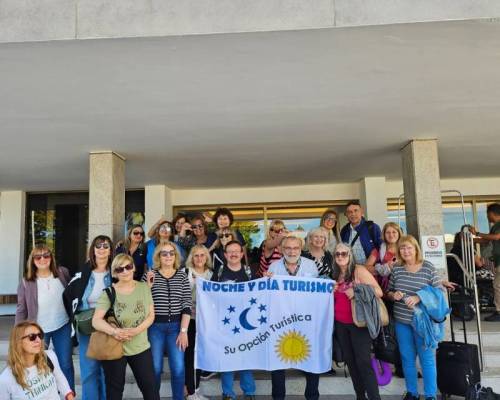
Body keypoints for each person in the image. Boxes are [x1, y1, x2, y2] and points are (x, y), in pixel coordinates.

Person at [93, 254, 159, 400]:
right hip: (115, 348)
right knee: (114, 392)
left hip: (140, 347)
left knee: (151, 390)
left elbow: (151, 316)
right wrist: (115, 331)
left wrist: (136, 330)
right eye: (119, 268)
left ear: (133, 267)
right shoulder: (109, 292)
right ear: (115, 272)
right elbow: (96, 320)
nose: (125, 271)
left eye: (128, 267)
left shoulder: (144, 288)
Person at [386, 235, 443, 400]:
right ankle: (412, 393)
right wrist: (393, 295)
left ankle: (431, 395)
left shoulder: (428, 267)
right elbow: (388, 292)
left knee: (427, 359)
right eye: (402, 248)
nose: (405, 251)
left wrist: (419, 297)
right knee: (407, 359)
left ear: (416, 248)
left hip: (424, 323)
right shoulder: (396, 268)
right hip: (402, 322)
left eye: (409, 247)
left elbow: (439, 291)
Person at [267, 235, 320, 400]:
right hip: (280, 320)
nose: (292, 251)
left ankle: (312, 395)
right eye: (288, 248)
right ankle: (278, 397)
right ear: (282, 250)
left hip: (306, 320)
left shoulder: (311, 266)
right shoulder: (273, 267)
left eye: (296, 248)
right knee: (277, 360)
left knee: (310, 357)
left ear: (300, 249)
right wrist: (265, 281)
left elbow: (319, 292)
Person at [15, 244, 74, 391]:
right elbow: (21, 309)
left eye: (46, 255)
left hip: (63, 325)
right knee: (38, 365)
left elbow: (73, 294)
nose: (43, 259)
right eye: (38, 257)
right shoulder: (26, 282)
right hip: (38, 330)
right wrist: (18, 332)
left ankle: (69, 394)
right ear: (32, 260)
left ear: (51, 258)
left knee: (66, 364)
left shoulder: (62, 273)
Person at [62, 235, 113, 400]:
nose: (102, 249)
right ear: (93, 249)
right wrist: (75, 316)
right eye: (98, 245)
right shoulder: (83, 273)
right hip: (86, 328)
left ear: (110, 250)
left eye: (106, 246)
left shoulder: (117, 272)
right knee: (89, 371)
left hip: (108, 328)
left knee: (107, 371)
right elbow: (68, 294)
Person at [332, 243, 383, 400]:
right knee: (351, 363)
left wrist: (356, 290)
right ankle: (360, 396)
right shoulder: (335, 274)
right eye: (337, 254)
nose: (340, 256)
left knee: (363, 363)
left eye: (344, 253)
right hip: (341, 325)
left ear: (350, 255)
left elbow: (379, 292)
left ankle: (375, 397)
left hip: (359, 324)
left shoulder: (358, 270)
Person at [145, 242, 192, 400]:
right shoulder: (150, 274)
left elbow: (187, 305)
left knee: (178, 368)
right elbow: (142, 303)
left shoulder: (182, 275)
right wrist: (148, 287)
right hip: (155, 327)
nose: (168, 256)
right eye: (164, 253)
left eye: (171, 253)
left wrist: (183, 331)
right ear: (158, 256)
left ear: (176, 256)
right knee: (155, 368)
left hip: (176, 328)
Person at [212, 241, 256, 400]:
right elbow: (210, 293)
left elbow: (260, 292)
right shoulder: (219, 271)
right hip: (225, 323)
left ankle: (249, 392)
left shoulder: (249, 271)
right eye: (230, 251)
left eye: (237, 251)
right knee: (227, 358)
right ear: (225, 255)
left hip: (245, 322)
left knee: (246, 358)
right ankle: (228, 393)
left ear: (242, 254)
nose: (234, 254)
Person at [0, 321, 74, 400]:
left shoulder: (49, 356)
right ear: (18, 342)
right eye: (32, 337)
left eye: (40, 335)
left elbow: (60, 378)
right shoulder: (6, 379)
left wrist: (69, 396)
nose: (38, 340)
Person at [184, 245, 213, 400]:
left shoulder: (213, 274)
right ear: (191, 257)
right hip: (189, 320)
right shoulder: (185, 272)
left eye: (202, 255)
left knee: (201, 355)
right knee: (190, 356)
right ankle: (191, 392)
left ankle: (194, 388)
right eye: (196, 255)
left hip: (207, 321)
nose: (199, 258)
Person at [470, 203, 500, 321]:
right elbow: (487, 240)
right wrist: (471, 240)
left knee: (497, 285)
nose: (487, 217)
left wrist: (477, 233)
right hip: (497, 261)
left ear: (492, 214)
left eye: (487, 214)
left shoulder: (498, 225)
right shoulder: (495, 226)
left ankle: (499, 312)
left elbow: (497, 237)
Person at [365, 222, 404, 292]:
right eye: (388, 232)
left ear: (399, 233)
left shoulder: (405, 249)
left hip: (401, 288)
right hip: (381, 289)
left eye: (394, 232)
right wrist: (384, 268)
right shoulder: (378, 249)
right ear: (384, 235)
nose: (391, 235)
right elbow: (367, 267)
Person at [340, 200, 382, 265]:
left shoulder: (372, 227)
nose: (353, 214)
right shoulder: (344, 230)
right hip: (351, 270)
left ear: (361, 211)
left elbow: (381, 248)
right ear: (346, 215)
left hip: (370, 269)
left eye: (356, 210)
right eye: (349, 212)